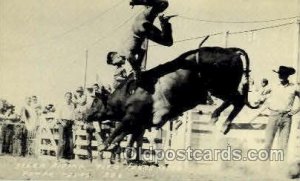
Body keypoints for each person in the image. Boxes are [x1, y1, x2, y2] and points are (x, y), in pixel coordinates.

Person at [107, 0, 174, 79]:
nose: (116, 65)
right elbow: (142, 51)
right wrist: (138, 65)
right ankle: (140, 2)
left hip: (139, 29)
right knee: (163, 4)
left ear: (114, 57)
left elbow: (129, 56)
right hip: (139, 20)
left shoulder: (123, 52)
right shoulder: (123, 47)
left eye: (114, 63)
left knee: (168, 42)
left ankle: (163, 21)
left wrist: (137, 71)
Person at [264, 66, 300, 159]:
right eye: (280, 74)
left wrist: (295, 111)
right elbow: (260, 94)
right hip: (273, 115)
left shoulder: (294, 87)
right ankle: (264, 169)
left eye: (283, 74)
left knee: (283, 145)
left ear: (287, 75)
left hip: (286, 117)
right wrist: (266, 103)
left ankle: (280, 170)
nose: (281, 76)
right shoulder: (273, 85)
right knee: (268, 143)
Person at [57, 92, 76, 161]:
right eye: (67, 96)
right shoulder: (61, 105)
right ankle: (59, 157)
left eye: (70, 97)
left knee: (70, 140)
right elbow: (58, 115)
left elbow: (73, 115)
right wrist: (62, 122)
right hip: (62, 122)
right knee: (62, 140)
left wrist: (74, 123)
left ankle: (67, 156)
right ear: (65, 97)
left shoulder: (72, 105)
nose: (69, 98)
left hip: (69, 123)